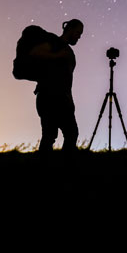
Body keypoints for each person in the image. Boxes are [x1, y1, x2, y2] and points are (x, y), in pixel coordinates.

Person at [33, 19, 84, 154]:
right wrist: (57, 56)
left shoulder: (70, 53)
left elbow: (67, 80)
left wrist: (70, 100)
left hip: (62, 99)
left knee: (71, 134)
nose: (79, 37)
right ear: (70, 29)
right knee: (50, 135)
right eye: (78, 33)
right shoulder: (54, 42)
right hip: (48, 96)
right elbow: (35, 53)